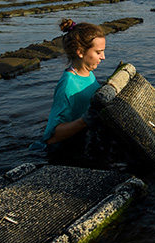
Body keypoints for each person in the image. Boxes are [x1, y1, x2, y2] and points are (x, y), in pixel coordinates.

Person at [40, 19, 106, 154]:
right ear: (80, 52)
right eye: (98, 52)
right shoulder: (68, 85)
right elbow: (52, 136)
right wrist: (85, 121)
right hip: (62, 152)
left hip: (84, 141)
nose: (103, 57)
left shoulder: (89, 74)